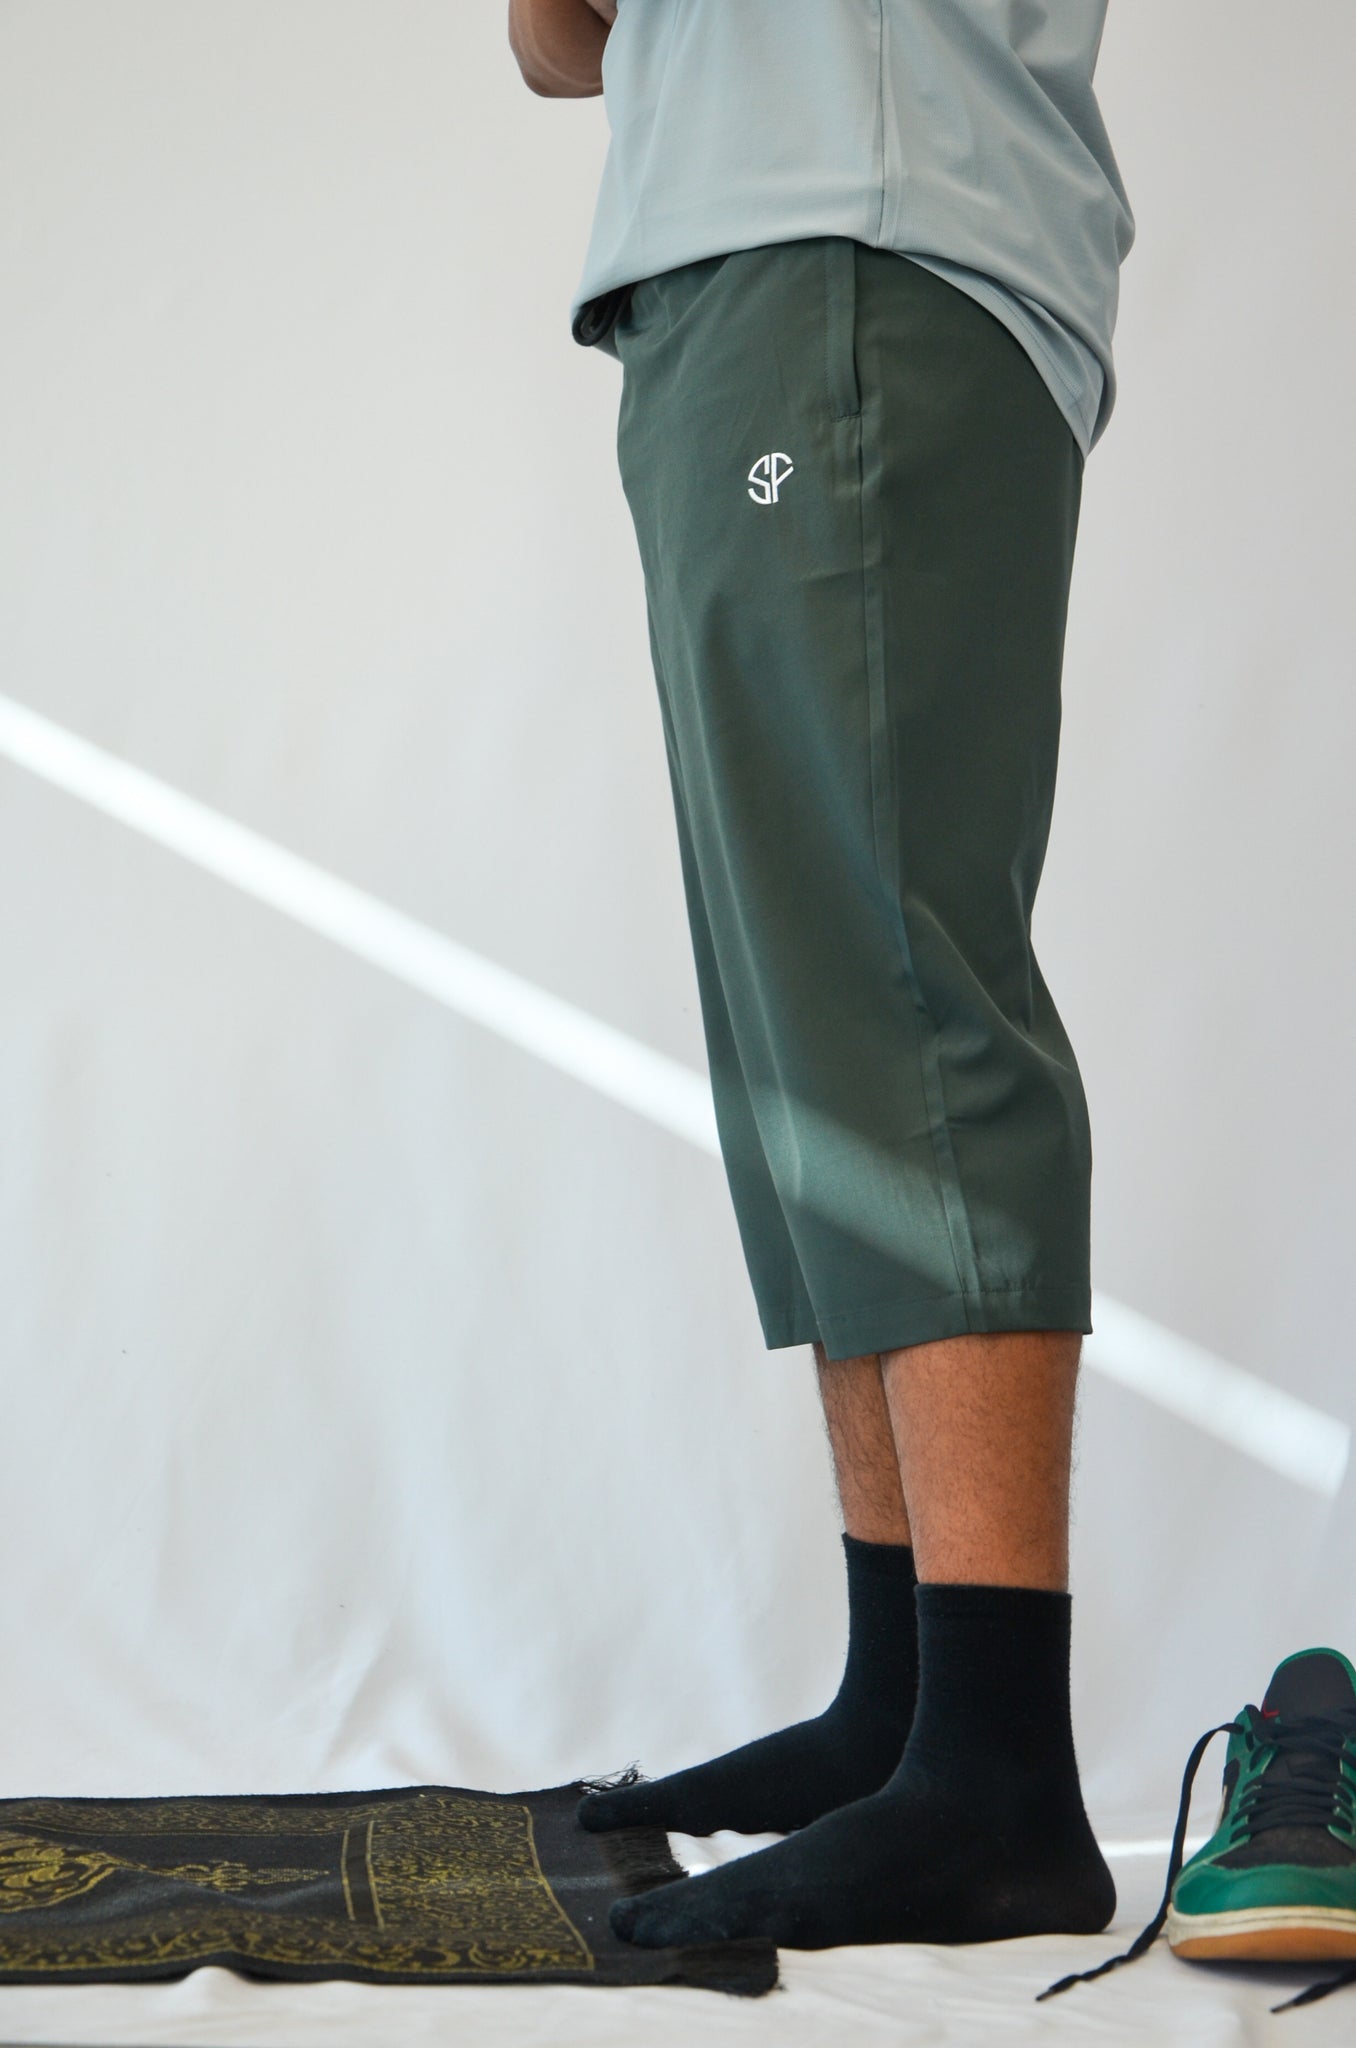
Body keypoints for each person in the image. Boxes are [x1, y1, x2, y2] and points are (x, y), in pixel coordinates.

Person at [508, 0, 1135, 1952]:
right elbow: (556, 41)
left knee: (891, 987)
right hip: (735, 270)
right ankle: (908, 1701)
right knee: (808, 1027)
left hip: (855, 235)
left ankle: (997, 1773)